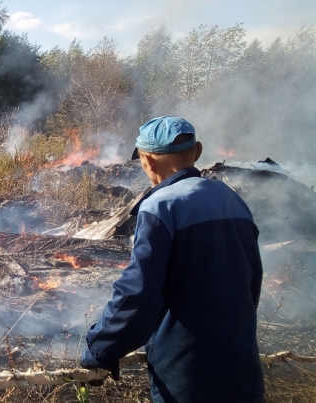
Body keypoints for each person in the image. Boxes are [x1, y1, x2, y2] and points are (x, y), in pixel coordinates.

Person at [80, 116, 264, 403]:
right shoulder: (232, 199)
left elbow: (138, 295)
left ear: (148, 161)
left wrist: (100, 348)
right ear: (198, 151)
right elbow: (252, 281)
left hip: (188, 373)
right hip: (241, 363)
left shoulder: (160, 206)